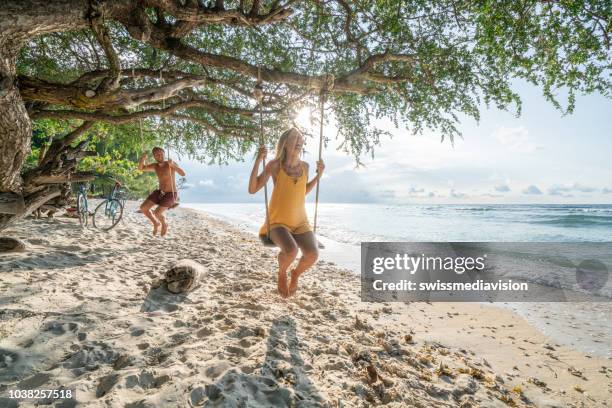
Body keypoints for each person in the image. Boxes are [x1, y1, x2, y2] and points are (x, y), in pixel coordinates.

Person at [248, 128, 325, 298]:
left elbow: (301, 191)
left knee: (312, 254)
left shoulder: (305, 166)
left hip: (300, 221)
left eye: (301, 138)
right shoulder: (275, 165)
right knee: (291, 251)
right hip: (278, 222)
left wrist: (318, 176)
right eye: (294, 138)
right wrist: (258, 160)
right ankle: (282, 272)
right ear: (285, 143)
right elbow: (252, 189)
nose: (299, 140)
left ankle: (295, 274)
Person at [138, 147, 186, 236]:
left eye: (160, 153)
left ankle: (164, 224)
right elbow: (141, 168)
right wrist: (142, 159)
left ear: (164, 154)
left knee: (157, 212)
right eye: (156, 154)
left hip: (171, 193)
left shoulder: (170, 163)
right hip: (160, 192)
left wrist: (173, 165)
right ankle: (156, 223)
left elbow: (183, 174)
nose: (159, 156)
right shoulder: (155, 166)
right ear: (154, 156)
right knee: (143, 208)